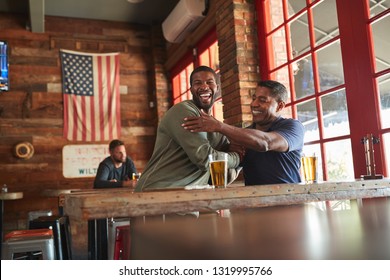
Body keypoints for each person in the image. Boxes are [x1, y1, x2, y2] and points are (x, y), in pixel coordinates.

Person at [135, 66, 242, 192]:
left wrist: (237, 153)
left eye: (209, 82)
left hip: (188, 195)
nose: (204, 86)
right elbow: (205, 158)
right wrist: (237, 158)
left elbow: (225, 161)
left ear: (217, 88)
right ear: (191, 89)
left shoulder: (214, 126)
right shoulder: (183, 111)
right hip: (157, 192)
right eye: (198, 83)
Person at [183, 80, 305, 185]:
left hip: (288, 202)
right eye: (254, 98)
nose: (254, 104)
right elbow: (233, 170)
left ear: (280, 106)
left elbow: (265, 143)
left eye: (262, 100)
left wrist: (219, 126)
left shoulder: (293, 127)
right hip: (253, 205)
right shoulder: (245, 135)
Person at [90, 139, 137, 259]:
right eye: (119, 153)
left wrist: (115, 183)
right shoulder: (106, 164)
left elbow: (135, 181)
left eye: (124, 152)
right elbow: (98, 184)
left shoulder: (128, 162)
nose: (123, 155)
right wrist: (123, 184)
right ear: (111, 153)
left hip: (124, 204)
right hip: (105, 206)